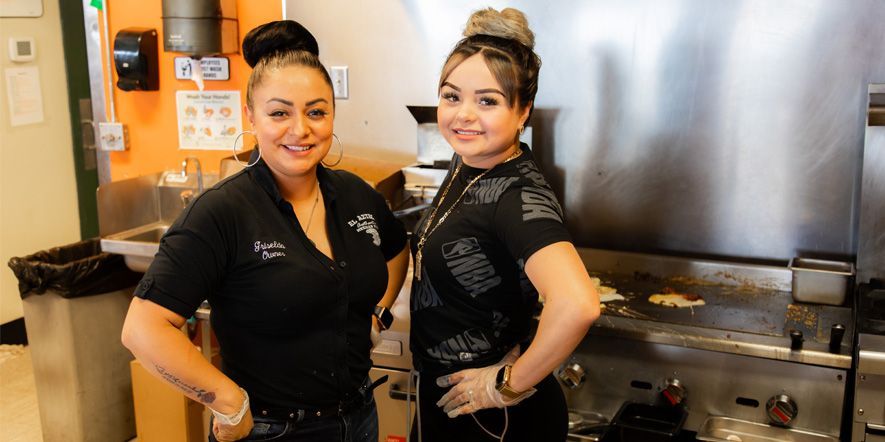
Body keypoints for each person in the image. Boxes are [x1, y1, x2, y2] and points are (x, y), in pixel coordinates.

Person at [121, 20, 410, 442]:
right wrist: (226, 401)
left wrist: (378, 315)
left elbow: (398, 248)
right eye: (279, 113)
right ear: (251, 117)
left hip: (360, 418)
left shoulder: (354, 194)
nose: (300, 130)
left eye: (316, 111)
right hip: (273, 430)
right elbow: (143, 329)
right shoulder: (221, 212)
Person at [409, 7, 600, 442]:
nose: (463, 115)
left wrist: (506, 385)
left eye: (488, 101)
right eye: (452, 96)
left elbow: (578, 303)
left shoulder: (515, 196)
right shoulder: (472, 160)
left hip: (492, 421)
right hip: (452, 403)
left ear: (523, 112)